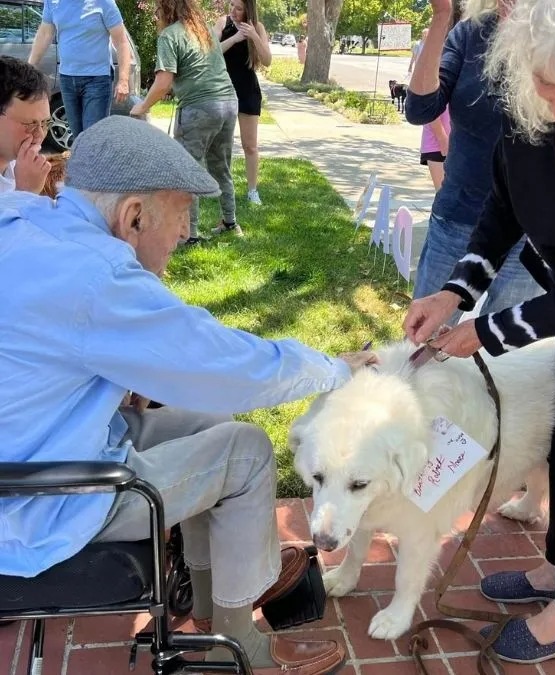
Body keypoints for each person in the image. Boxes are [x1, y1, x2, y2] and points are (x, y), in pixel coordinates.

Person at [0, 116, 374, 673]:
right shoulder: (97, 277)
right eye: (182, 219)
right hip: (42, 501)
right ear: (134, 216)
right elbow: (222, 364)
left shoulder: (29, 221)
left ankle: (207, 605)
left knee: (212, 419)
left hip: (43, 452)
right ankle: (238, 641)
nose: (183, 235)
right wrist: (332, 369)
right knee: (245, 451)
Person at [403, 0, 555, 663]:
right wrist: (454, 294)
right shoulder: (532, 120)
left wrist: (491, 330)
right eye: (544, 75)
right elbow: (501, 215)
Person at [403, 0, 542, 318]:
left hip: (530, 231)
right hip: (459, 218)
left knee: (507, 354)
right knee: (425, 339)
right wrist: (441, 17)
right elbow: (420, 109)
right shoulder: (468, 34)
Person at [132, 0, 241, 244]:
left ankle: (189, 235)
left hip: (200, 108)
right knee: (221, 166)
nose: (156, 14)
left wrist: (142, 106)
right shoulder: (202, 30)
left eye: (157, 10)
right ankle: (230, 221)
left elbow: (163, 82)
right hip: (228, 102)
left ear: (165, 9)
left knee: (186, 170)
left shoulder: (170, 35)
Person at [28, 0, 132, 137]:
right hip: (67, 78)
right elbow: (45, 34)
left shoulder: (104, 2)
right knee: (77, 137)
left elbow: (121, 41)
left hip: (97, 79)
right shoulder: (52, 2)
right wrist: (29, 67)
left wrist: (124, 80)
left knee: (92, 137)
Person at [217, 0, 271, 206]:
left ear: (248, 10)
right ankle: (221, 188)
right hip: (223, 90)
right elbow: (211, 52)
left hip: (248, 91)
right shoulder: (222, 23)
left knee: (250, 145)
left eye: (239, 8)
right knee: (221, 145)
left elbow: (267, 60)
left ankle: (252, 190)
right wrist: (235, 38)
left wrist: (253, 36)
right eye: (231, 5)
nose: (233, 11)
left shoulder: (257, 27)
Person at [0, 57, 51, 195]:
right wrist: (26, 193)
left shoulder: (20, 166)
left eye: (45, 123)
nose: (40, 135)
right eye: (30, 124)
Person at [420, 108, 450, 190]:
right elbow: (430, 110)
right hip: (437, 146)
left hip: (460, 145)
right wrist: (443, 142)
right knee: (445, 194)